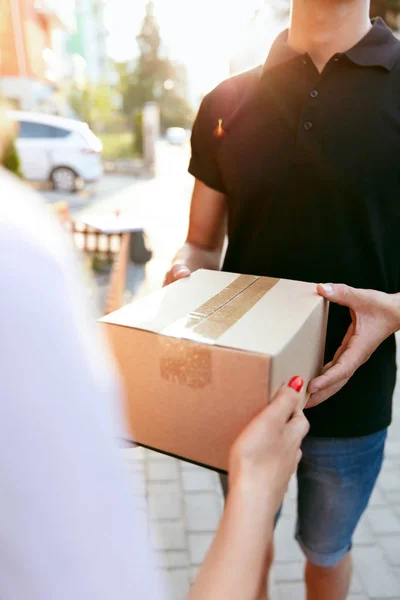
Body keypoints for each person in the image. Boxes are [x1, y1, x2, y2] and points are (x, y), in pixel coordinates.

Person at [164, 5, 400, 599]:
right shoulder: (226, 101)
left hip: (356, 396)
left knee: (327, 551)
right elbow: (199, 243)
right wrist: (183, 275)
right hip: (242, 392)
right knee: (247, 542)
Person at [0, 145, 309, 597]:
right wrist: (258, 487)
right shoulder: (16, 247)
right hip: (256, 417)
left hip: (347, 400)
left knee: (325, 546)